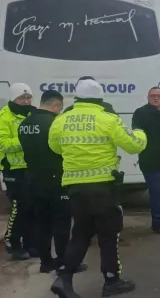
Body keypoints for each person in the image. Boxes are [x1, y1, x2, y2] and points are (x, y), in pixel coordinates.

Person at [48, 78, 147, 297]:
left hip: (74, 189)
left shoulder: (61, 120)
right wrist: (140, 133)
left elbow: (55, 147)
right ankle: (111, 280)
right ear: (100, 98)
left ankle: (64, 278)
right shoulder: (108, 118)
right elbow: (134, 145)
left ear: (77, 98)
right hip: (103, 187)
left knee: (81, 233)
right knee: (108, 234)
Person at [18, 90, 87, 273]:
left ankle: (45, 262)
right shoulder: (55, 123)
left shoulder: (24, 123)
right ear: (55, 105)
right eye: (60, 108)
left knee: (42, 223)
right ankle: (63, 261)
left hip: (33, 179)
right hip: (56, 179)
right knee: (62, 222)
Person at [132, 87, 160, 235]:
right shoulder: (141, 113)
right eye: (153, 96)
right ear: (148, 97)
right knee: (157, 192)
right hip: (151, 159)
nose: (156, 98)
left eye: (159, 96)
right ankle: (158, 224)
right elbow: (137, 134)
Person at [1, 83, 36, 260]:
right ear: (14, 99)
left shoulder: (32, 113)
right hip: (12, 169)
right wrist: (25, 139)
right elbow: (3, 144)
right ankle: (12, 242)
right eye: (22, 98)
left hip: (31, 167)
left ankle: (29, 244)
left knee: (32, 207)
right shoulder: (4, 117)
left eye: (28, 97)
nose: (26, 101)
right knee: (19, 206)